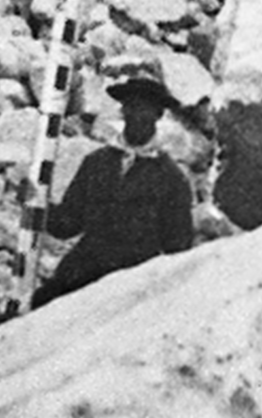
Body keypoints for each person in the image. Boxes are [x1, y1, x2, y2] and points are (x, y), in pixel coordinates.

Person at [32, 73, 195, 307]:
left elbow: (178, 250)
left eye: (145, 109)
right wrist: (37, 203)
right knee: (41, 306)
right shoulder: (96, 163)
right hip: (84, 271)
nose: (137, 116)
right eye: (132, 107)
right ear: (123, 111)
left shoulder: (172, 179)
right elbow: (67, 224)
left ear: (158, 115)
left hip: (133, 286)